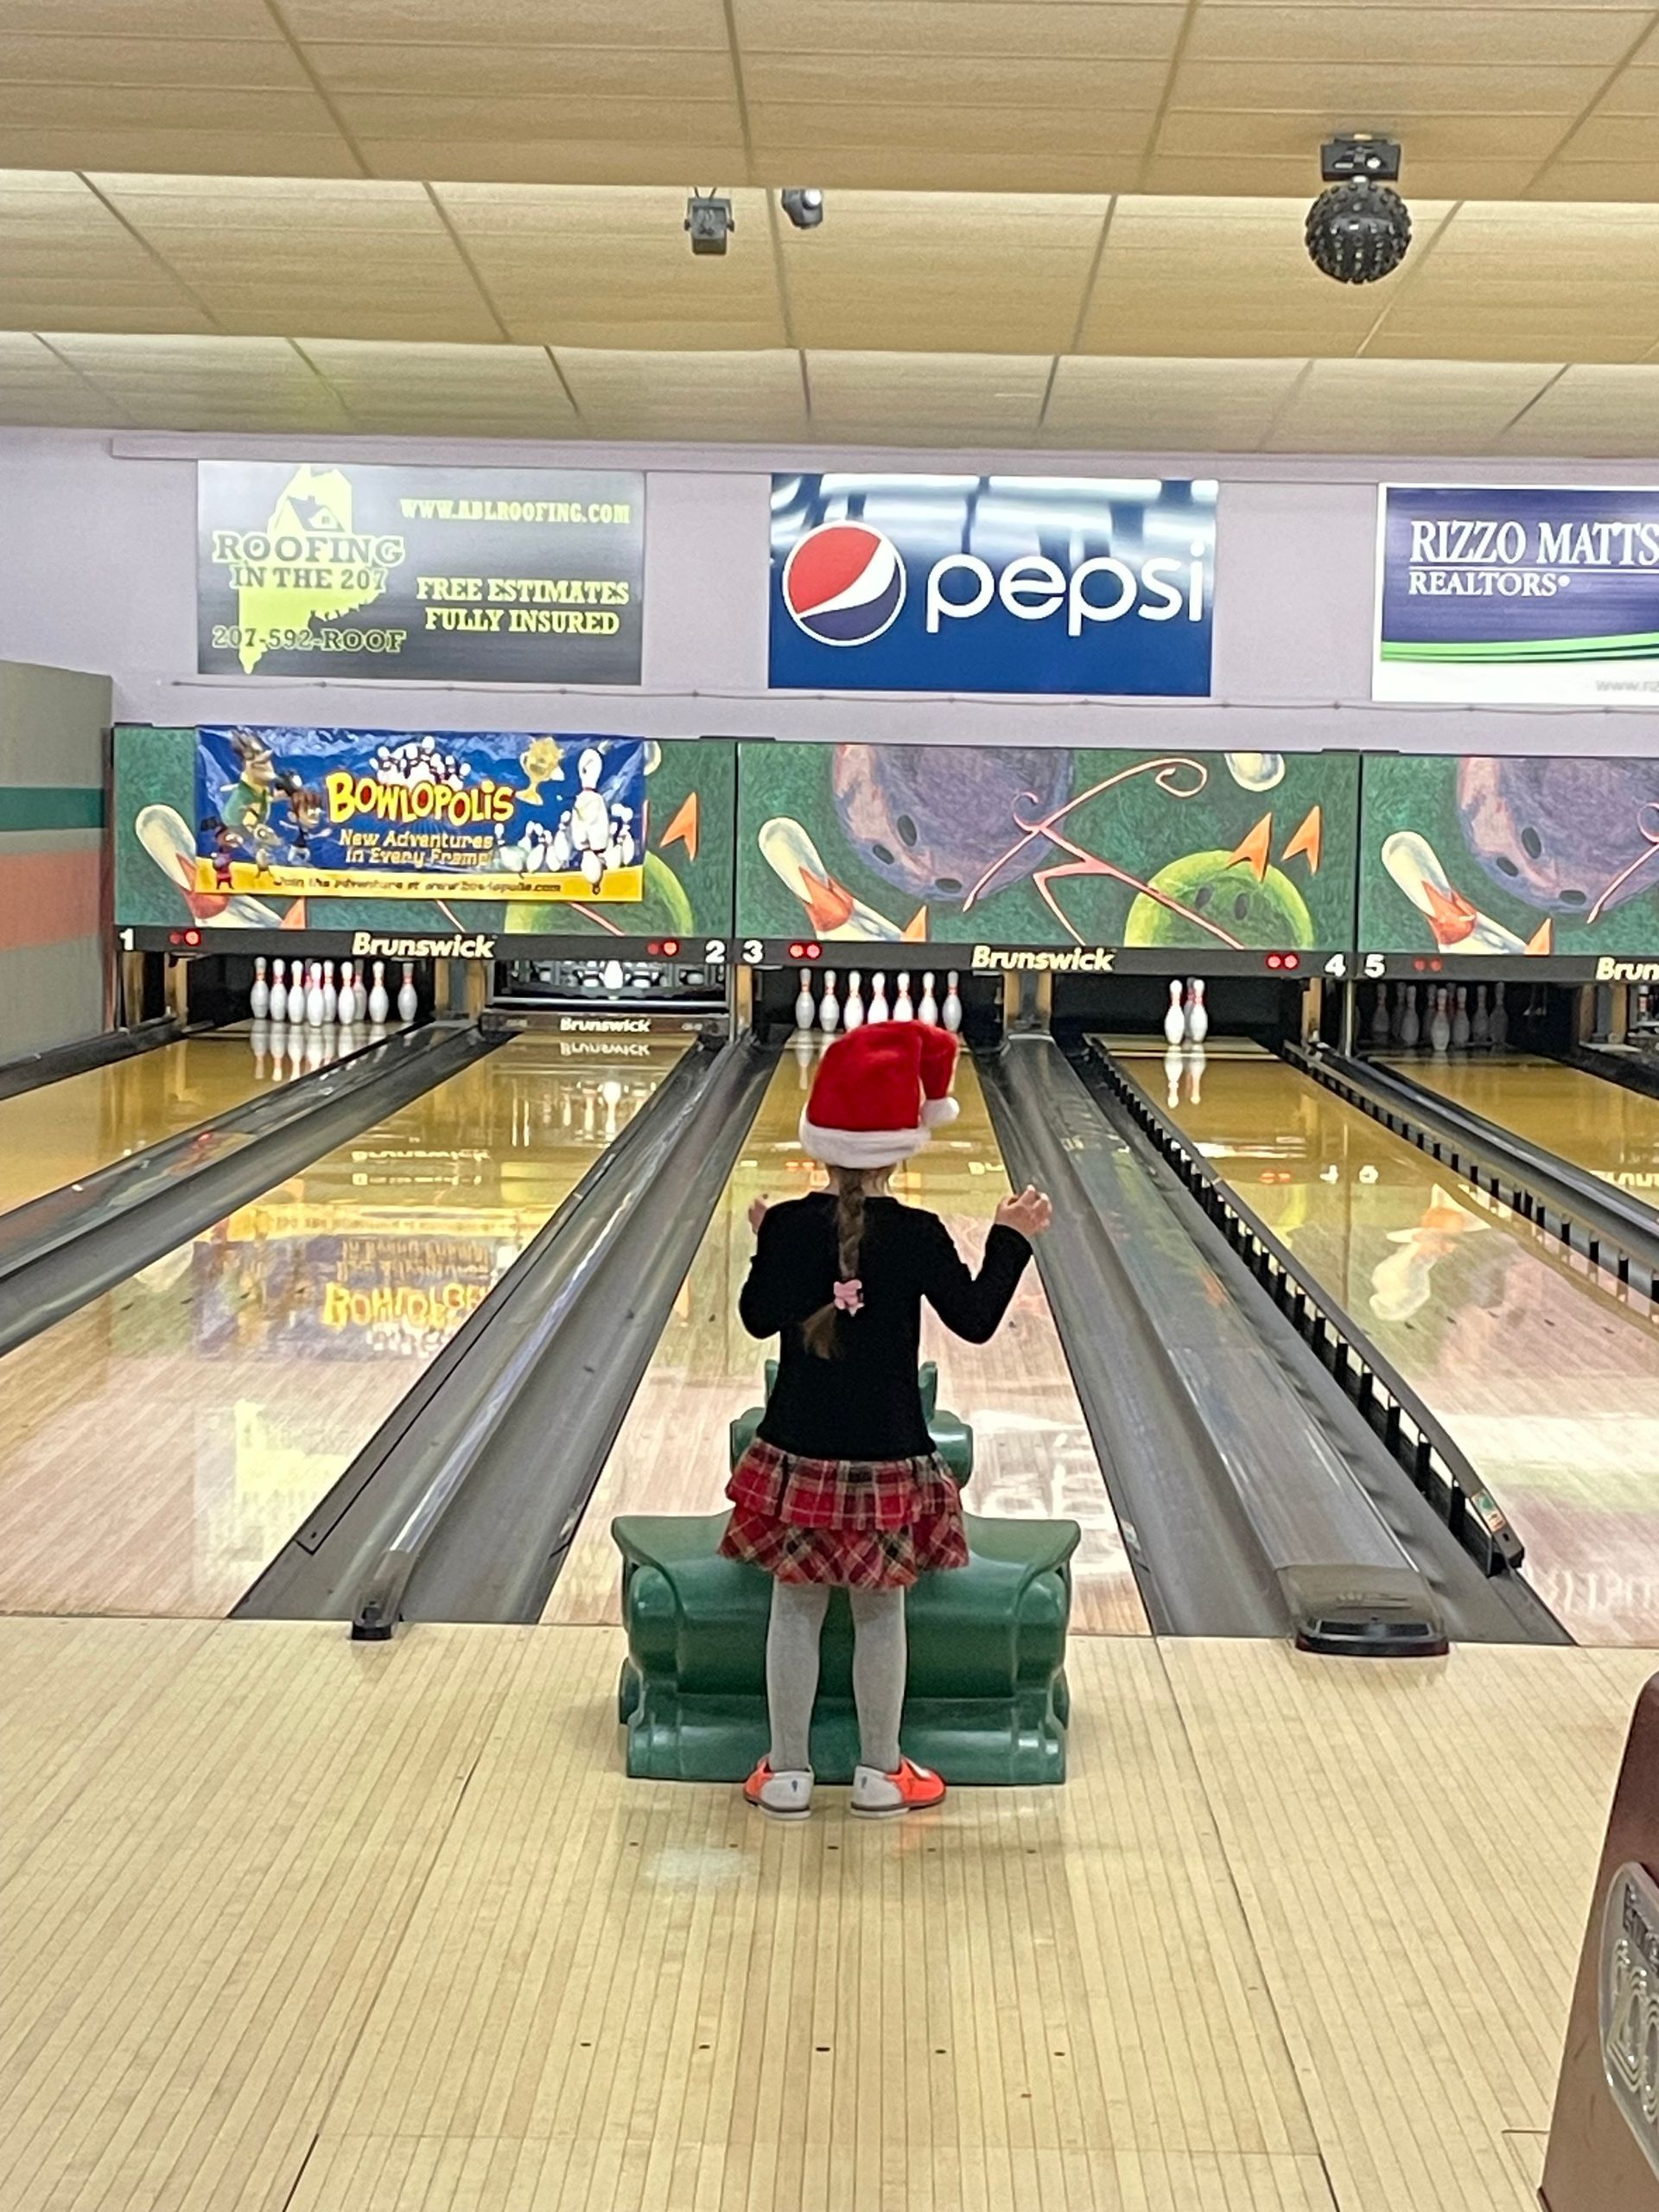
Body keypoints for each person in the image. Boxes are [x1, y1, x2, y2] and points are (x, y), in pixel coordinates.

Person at [724, 1020, 1052, 1820]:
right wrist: (1009, 1240)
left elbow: (756, 1319)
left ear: (822, 1143)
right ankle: (879, 1773)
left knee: (794, 1609)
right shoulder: (919, 1234)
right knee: (880, 1614)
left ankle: (788, 1775)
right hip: (888, 1458)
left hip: (796, 1454)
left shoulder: (794, 1226)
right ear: (902, 1149)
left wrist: (771, 1245)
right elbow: (975, 1320)